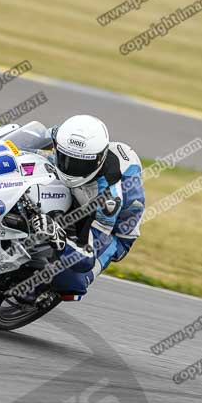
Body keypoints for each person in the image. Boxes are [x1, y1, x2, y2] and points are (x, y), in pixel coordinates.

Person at [27, 114, 145, 301]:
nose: (71, 168)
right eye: (66, 158)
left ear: (98, 160)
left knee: (73, 278)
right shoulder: (65, 137)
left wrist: (59, 240)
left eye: (82, 163)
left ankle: (37, 290)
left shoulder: (109, 197)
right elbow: (29, 137)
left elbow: (89, 254)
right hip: (82, 193)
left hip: (111, 232)